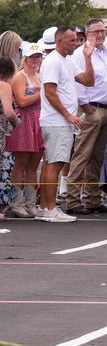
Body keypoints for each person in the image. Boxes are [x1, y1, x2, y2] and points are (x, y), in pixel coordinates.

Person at [63, 18, 107, 213]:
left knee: (97, 157)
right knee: (82, 155)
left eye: (102, 30)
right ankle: (73, 200)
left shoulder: (104, 52)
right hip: (91, 108)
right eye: (95, 32)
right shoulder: (80, 54)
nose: (100, 35)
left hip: (105, 108)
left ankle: (93, 199)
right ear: (87, 34)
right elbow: (77, 82)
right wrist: (86, 107)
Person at [35, 25, 84, 222]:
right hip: (57, 121)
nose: (75, 43)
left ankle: (45, 207)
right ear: (59, 41)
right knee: (55, 164)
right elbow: (49, 92)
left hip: (58, 121)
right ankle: (50, 208)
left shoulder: (66, 60)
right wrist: (69, 115)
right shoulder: (54, 61)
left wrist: (87, 56)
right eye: (71, 40)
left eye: (76, 40)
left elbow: (87, 80)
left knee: (51, 163)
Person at [6, 43, 44, 219]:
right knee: (20, 164)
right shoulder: (19, 76)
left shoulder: (40, 76)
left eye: (38, 56)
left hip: (39, 120)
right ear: (25, 58)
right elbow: (21, 101)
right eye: (33, 57)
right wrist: (44, 93)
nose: (36, 60)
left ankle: (30, 202)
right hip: (25, 121)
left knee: (33, 165)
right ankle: (16, 202)